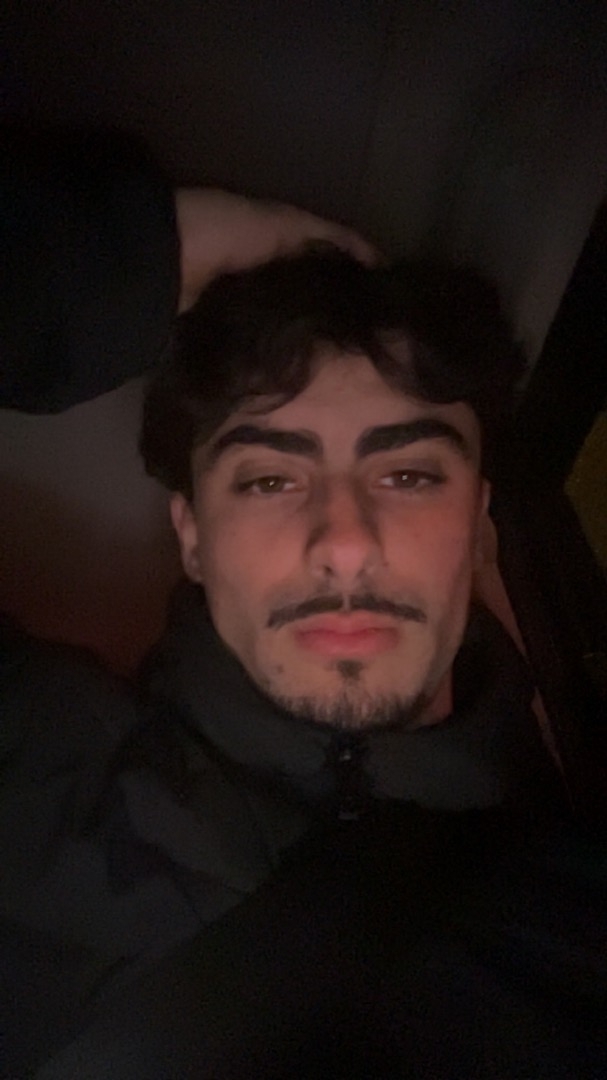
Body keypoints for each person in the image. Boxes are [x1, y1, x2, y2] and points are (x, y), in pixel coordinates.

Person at [29, 249, 606, 1080]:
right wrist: (150, 246)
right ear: (190, 536)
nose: (344, 544)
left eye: (407, 474)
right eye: (269, 480)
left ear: (480, 521)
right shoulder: (34, 785)